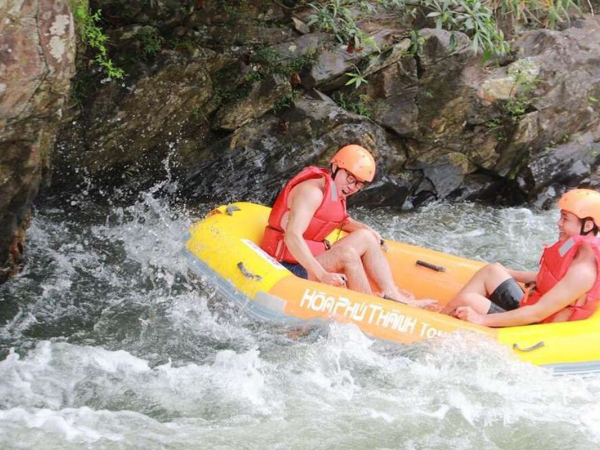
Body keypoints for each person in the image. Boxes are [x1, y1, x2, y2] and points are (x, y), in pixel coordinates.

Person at [260, 144, 434, 308]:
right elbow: (292, 236)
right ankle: (368, 306)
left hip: (307, 260)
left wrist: (368, 230)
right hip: (285, 266)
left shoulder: (334, 190)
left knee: (366, 236)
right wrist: (323, 275)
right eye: (350, 178)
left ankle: (393, 294)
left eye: (358, 184)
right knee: (346, 254)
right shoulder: (311, 192)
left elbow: (338, 220)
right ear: (335, 167)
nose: (352, 187)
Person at [441, 188, 600, 327]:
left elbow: (537, 314)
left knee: (467, 300)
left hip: (535, 326)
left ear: (587, 226)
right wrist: (509, 272)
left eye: (565, 219)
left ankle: (435, 323)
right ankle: (442, 316)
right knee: (492, 270)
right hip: (531, 308)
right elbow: (549, 279)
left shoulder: (583, 272)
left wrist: (480, 319)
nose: (558, 223)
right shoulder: (576, 250)